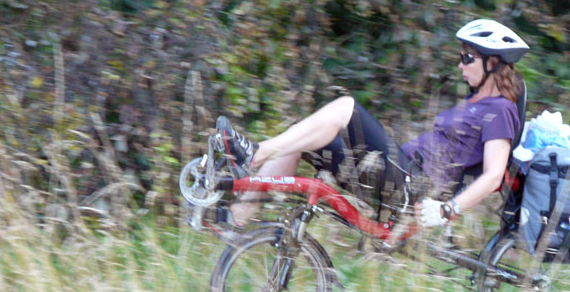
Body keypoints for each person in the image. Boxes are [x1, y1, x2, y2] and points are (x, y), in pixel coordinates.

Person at [219, 19, 529, 228]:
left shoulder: (500, 110)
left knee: (346, 107)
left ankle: (255, 154)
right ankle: (237, 219)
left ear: (492, 63)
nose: (460, 64)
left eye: (467, 58)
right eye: (461, 57)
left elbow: (492, 177)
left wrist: (448, 210)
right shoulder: (476, 103)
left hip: (412, 185)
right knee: (305, 139)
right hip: (391, 172)